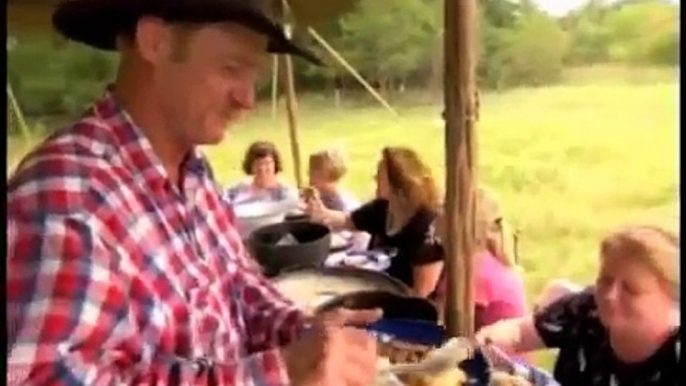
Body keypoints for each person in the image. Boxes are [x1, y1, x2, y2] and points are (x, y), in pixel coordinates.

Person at [7, 1, 381, 385]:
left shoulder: (195, 174)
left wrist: (306, 333)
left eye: (253, 76)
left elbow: (238, 289)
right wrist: (276, 374)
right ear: (155, 42)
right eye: (231, 68)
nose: (248, 99)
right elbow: (44, 377)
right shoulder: (67, 196)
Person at [475, 225, 680, 386]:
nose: (610, 295)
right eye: (605, 280)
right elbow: (520, 332)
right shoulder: (586, 310)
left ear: (672, 298)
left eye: (631, 289)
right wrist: (485, 342)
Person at [305, 146, 444, 297]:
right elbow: (346, 220)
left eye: (380, 174)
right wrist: (320, 213)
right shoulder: (382, 208)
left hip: (405, 307)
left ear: (398, 182)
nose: (375, 178)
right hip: (376, 287)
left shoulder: (424, 225)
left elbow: (421, 294)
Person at [434, 187, 527, 332]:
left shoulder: (473, 272)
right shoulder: (479, 260)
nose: (434, 218)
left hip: (488, 353)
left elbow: (454, 332)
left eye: (441, 210)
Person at [226, 140, 298, 205]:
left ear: (275, 164)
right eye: (258, 164)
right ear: (250, 165)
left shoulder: (284, 190)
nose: (262, 168)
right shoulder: (236, 188)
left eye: (267, 163)